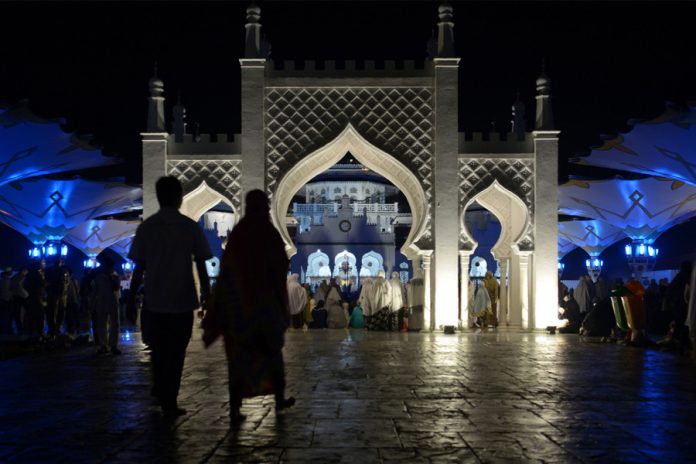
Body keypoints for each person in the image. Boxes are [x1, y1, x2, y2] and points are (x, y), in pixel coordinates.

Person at [201, 189, 295, 423]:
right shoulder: (269, 233)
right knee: (272, 353)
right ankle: (279, 398)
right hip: (266, 307)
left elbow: (226, 269)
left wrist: (221, 303)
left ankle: (235, 408)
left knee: (239, 359)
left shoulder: (240, 233)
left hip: (241, 309)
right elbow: (280, 267)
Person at [126, 176, 212, 417]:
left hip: (154, 300)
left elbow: (139, 268)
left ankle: (162, 388)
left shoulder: (147, 227)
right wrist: (208, 296)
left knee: (158, 349)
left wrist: (130, 300)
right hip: (182, 301)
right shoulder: (189, 226)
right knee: (176, 352)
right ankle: (169, 399)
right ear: (179, 197)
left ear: (158, 196)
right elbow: (202, 264)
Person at [92, 256, 121, 355]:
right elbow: (94, 290)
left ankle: (112, 345)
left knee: (113, 323)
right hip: (103, 300)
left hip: (111, 300)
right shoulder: (99, 276)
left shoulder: (114, 275)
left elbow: (116, 287)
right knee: (102, 323)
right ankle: (104, 345)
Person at [10, 267, 28, 334]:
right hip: (23, 296)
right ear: (23, 271)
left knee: (17, 312)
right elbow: (21, 286)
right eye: (26, 271)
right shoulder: (23, 277)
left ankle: (19, 327)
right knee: (26, 311)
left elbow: (11, 287)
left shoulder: (14, 277)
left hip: (15, 296)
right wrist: (26, 294)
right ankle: (25, 327)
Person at [0, 267, 14, 334]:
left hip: (3, 299)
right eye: (11, 272)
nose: (11, 273)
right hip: (7, 300)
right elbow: (9, 290)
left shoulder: (2, 280)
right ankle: (7, 329)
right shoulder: (8, 280)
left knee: (4, 314)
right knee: (7, 314)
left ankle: (5, 327)